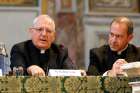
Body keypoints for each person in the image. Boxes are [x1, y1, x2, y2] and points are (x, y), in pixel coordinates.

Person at [10, 14, 76, 76]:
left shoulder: (61, 51)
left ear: (54, 36)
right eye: (40, 29)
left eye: (49, 31)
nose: (44, 34)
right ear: (31, 32)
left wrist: (77, 73)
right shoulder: (20, 49)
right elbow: (17, 70)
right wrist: (29, 69)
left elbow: (71, 71)